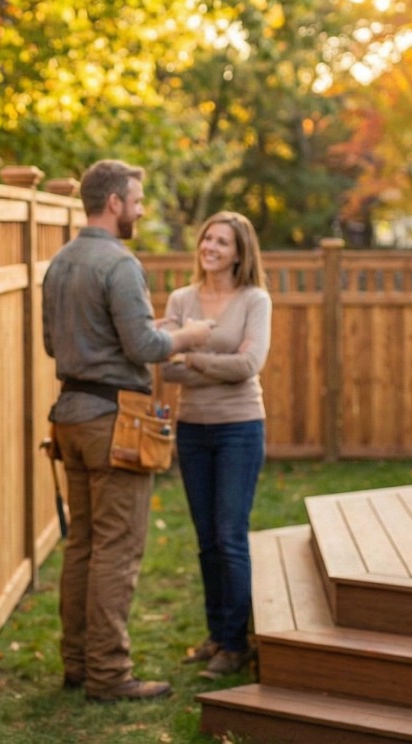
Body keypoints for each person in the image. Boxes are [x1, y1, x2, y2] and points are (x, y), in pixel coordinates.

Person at [42, 159, 214, 702]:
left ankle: (78, 663)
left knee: (83, 545)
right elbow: (143, 347)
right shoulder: (119, 263)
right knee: (117, 550)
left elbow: (55, 343)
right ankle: (110, 674)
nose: (140, 210)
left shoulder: (60, 262)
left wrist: (149, 331)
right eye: (136, 201)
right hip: (113, 423)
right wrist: (188, 335)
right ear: (114, 202)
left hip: (70, 416)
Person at [159, 211, 272, 677]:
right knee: (207, 540)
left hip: (238, 428)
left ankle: (236, 643)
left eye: (222, 242)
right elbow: (165, 367)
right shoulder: (181, 299)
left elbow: (249, 365)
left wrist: (193, 357)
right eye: (208, 238)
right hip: (192, 429)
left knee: (229, 536)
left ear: (240, 253)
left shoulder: (254, 300)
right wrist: (212, 360)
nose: (211, 247)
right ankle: (217, 633)